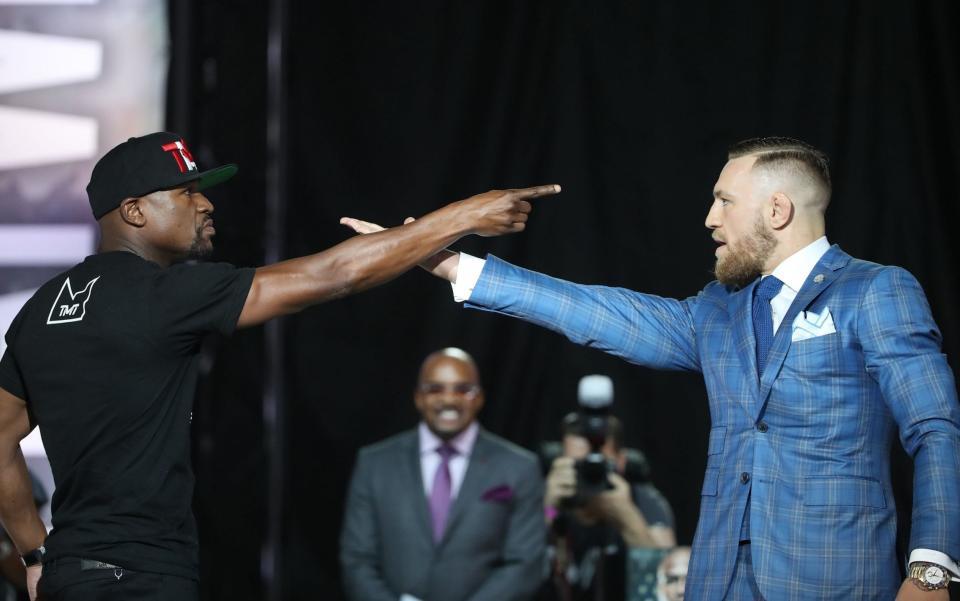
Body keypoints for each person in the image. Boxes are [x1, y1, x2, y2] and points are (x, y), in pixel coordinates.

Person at [342, 137, 960, 600]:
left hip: (832, 578)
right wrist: (455, 266)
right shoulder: (719, 309)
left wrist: (931, 570)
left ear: (776, 210)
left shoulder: (874, 291)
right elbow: (598, 312)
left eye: (724, 201)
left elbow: (935, 429)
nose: (710, 219)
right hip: (716, 582)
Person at [0, 131, 560, 601]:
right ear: (134, 211)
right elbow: (332, 275)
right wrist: (461, 216)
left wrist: (36, 553)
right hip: (142, 579)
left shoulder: (42, 308)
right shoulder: (164, 294)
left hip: (71, 578)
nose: (206, 204)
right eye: (187, 191)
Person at [340, 347, 545, 601]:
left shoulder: (519, 467)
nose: (449, 400)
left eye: (463, 389)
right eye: (435, 389)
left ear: (479, 397)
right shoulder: (375, 464)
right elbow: (357, 560)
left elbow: (525, 565)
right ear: (418, 397)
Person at [542, 410, 675, 601]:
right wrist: (549, 508)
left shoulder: (643, 501)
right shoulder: (550, 495)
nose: (586, 474)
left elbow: (668, 586)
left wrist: (627, 516)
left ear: (620, 461)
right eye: (576, 465)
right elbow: (523, 569)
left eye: (596, 464)